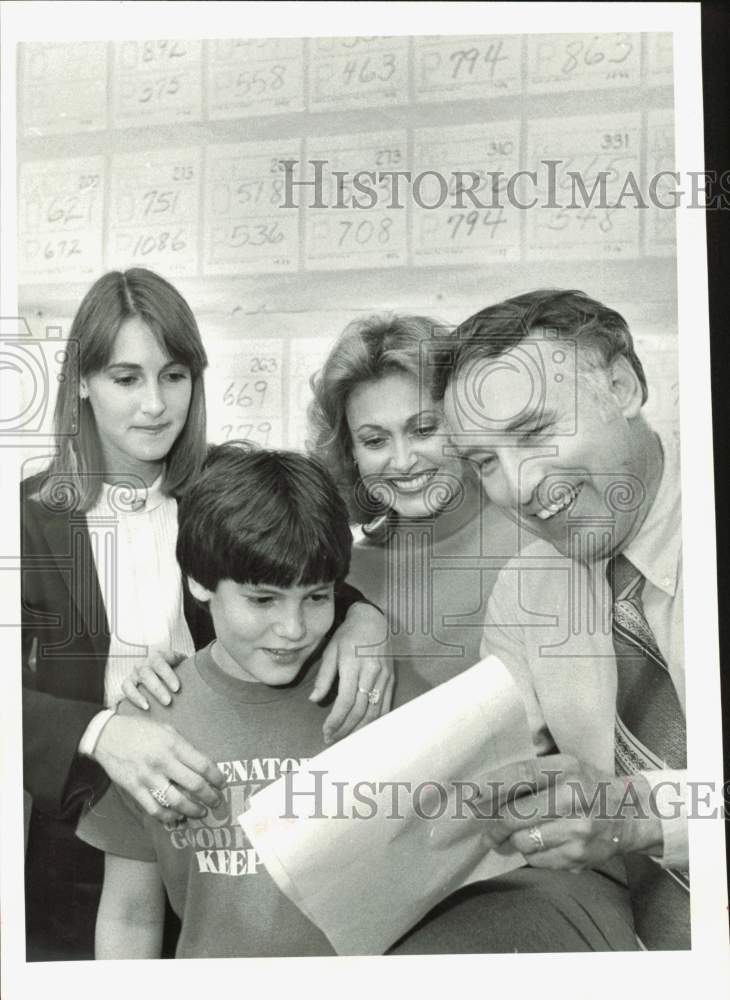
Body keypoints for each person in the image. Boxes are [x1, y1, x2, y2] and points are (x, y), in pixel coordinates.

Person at [21, 268, 391, 961]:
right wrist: (103, 732)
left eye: (176, 376)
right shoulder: (27, 519)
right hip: (77, 845)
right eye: (125, 379)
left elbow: (302, 574)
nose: (156, 405)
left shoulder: (230, 482)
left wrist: (366, 618)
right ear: (80, 382)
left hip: (229, 830)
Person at [76, 444, 426, 959]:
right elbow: (131, 913)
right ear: (198, 581)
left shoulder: (378, 694)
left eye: (317, 597)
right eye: (262, 599)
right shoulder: (147, 720)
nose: (293, 630)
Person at [439, 288, 689, 950]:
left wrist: (637, 816)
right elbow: (499, 777)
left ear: (623, 385)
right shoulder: (525, 591)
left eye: (533, 432)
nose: (517, 485)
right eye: (485, 461)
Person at [308, 314, 519, 688]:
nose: (403, 461)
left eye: (423, 430)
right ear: (349, 452)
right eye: (375, 441)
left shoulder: (542, 537)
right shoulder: (337, 576)